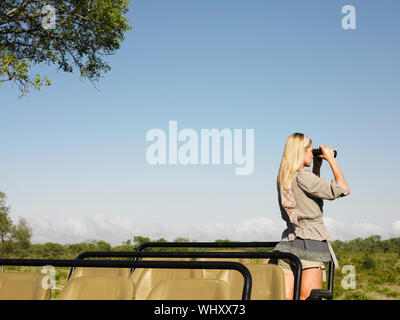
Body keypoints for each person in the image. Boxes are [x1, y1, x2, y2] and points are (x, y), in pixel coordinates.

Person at [273, 133, 350, 300]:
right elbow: (342, 188)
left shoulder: (284, 178)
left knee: (285, 298)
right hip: (310, 244)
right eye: (310, 150)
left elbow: (311, 192)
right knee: (308, 298)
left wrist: (317, 165)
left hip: (287, 243)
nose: (311, 153)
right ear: (301, 152)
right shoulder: (303, 176)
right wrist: (331, 160)